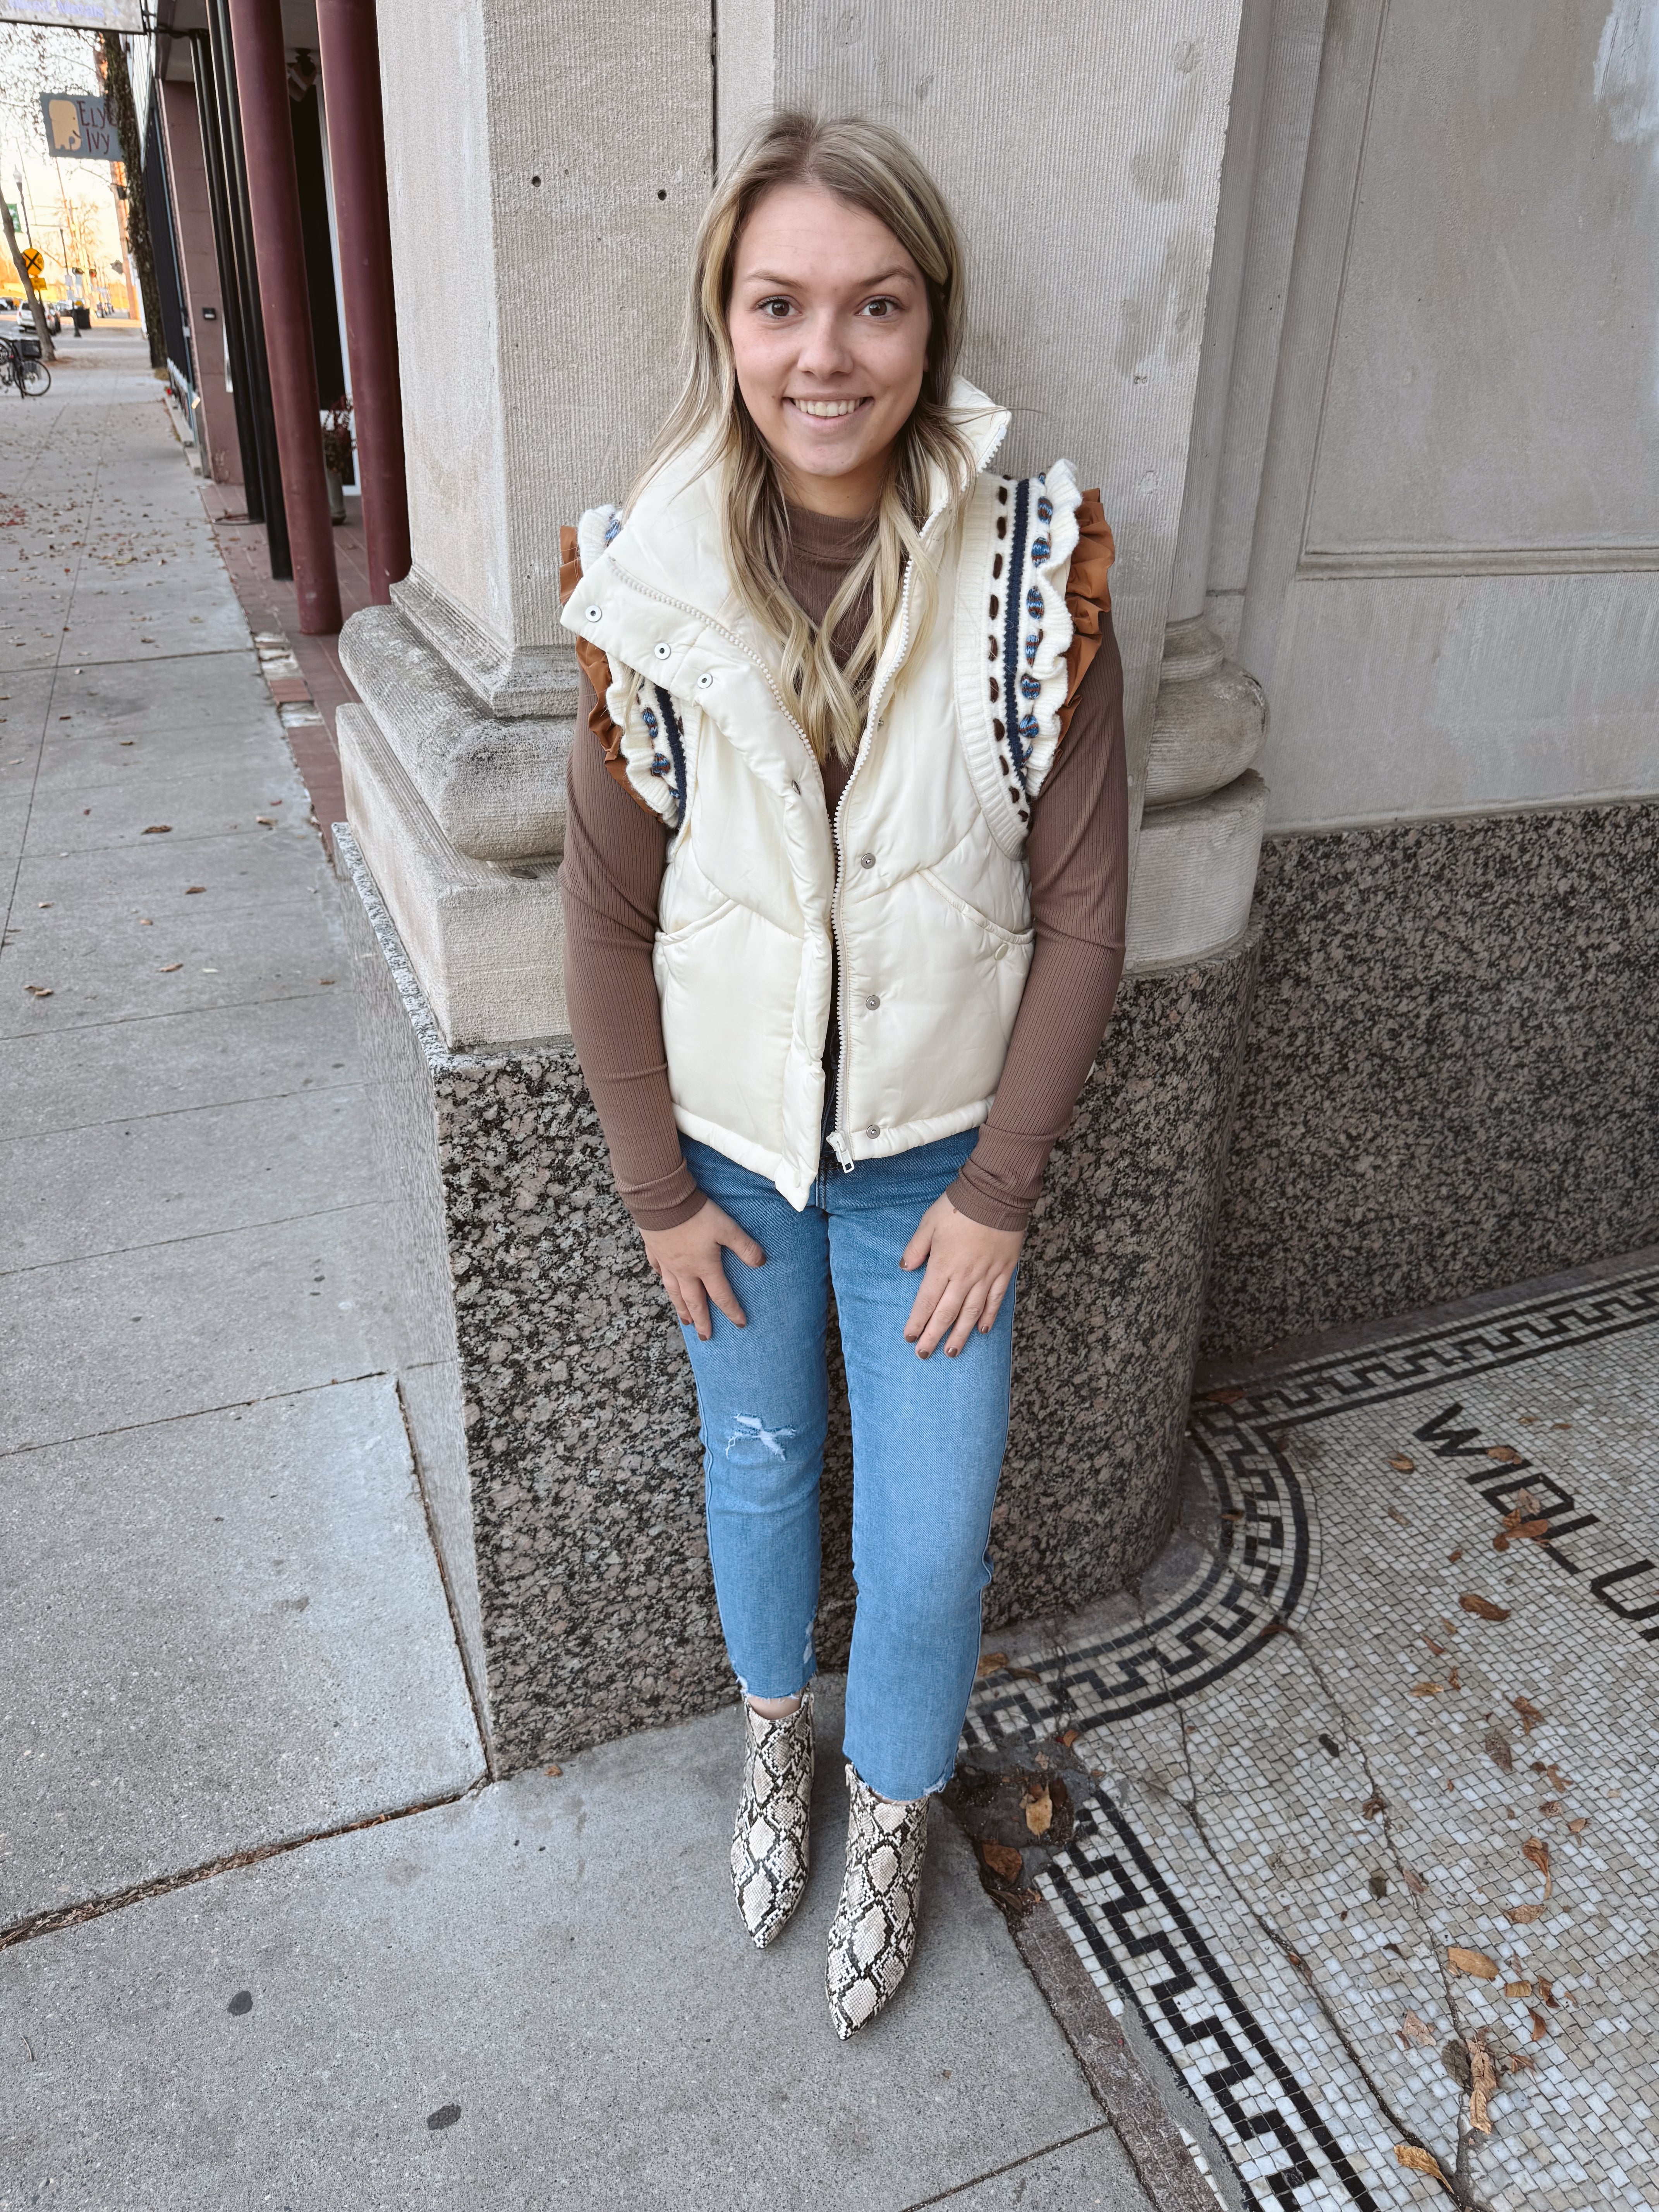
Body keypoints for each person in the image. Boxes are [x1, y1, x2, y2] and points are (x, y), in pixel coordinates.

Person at [559, 111, 1127, 2038]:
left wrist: (998, 1191)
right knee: (762, 1466)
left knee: (934, 1529)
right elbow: (601, 922)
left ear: (931, 320)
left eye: (875, 306)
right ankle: (772, 1746)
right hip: (728, 1166)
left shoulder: (1033, 567)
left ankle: (894, 1808)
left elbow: (1086, 913)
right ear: (724, 322)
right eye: (782, 304)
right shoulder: (644, 574)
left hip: (930, 1174)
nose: (828, 355)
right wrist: (657, 1193)